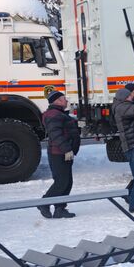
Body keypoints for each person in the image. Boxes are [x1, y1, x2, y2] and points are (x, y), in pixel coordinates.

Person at [39, 91, 80, 219]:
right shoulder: (53, 115)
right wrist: (67, 149)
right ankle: (43, 203)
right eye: (63, 99)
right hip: (59, 153)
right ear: (56, 101)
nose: (66, 101)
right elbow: (55, 135)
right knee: (61, 182)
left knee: (67, 182)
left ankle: (60, 209)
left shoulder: (59, 113)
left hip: (63, 153)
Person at [112, 88, 134, 213]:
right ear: (125, 97)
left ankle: (132, 197)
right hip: (133, 146)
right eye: (130, 95)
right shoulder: (122, 108)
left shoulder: (122, 106)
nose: (132, 96)